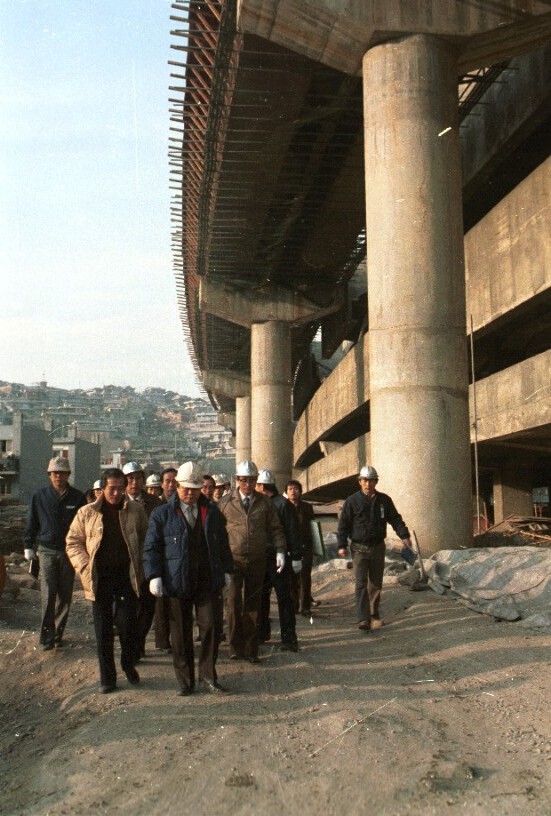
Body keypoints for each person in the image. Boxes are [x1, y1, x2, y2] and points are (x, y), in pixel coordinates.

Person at [143, 462, 233, 696]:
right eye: (186, 488)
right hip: (176, 581)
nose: (190, 493)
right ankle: (185, 681)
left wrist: (227, 570)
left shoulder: (211, 512)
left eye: (194, 488)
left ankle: (209, 676)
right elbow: (152, 548)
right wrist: (154, 575)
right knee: (180, 634)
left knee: (211, 627)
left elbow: (222, 545)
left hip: (206, 581)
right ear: (177, 487)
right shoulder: (162, 514)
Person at [65, 468, 148, 693]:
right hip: (99, 577)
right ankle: (107, 678)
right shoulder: (87, 513)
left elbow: (145, 540)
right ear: (102, 489)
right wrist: (84, 566)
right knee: (102, 631)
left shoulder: (136, 510)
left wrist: (142, 567)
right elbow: (73, 542)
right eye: (112, 488)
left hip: (126, 576)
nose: (117, 493)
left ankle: (128, 664)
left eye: (121, 488)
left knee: (127, 624)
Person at [218, 460, 285, 663]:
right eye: (244, 480)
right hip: (233, 561)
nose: (247, 484)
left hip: (257, 559)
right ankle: (234, 646)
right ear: (237, 480)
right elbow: (217, 533)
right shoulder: (226, 503)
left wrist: (281, 550)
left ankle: (251, 648)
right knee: (233, 604)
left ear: (256, 481)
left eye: (251, 480)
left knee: (253, 605)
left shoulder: (265, 503)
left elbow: (275, 529)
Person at [337, 465, 413, 631]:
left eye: (371, 480)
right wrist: (341, 545)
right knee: (360, 583)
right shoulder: (352, 501)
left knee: (376, 583)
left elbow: (395, 519)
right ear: (359, 482)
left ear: (376, 481)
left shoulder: (384, 500)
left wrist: (404, 536)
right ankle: (363, 618)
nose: (368, 484)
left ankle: (373, 614)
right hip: (359, 549)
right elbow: (343, 525)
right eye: (365, 480)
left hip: (378, 547)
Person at [23, 456, 86, 650]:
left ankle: (58, 634)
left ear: (68, 474)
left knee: (65, 595)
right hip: (47, 550)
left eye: (62, 473)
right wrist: (28, 546)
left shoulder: (77, 498)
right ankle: (46, 637)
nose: (58, 476)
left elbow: (84, 525)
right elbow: (32, 522)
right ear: (49, 475)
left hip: (69, 552)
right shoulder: (39, 496)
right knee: (48, 594)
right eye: (55, 473)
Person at [256, 469, 302, 652]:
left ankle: (286, 638)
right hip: (269, 557)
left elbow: (293, 532)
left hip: (278, 557)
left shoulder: (281, 505)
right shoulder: (273, 503)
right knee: (270, 598)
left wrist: (296, 556)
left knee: (281, 598)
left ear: (262, 486)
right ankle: (277, 636)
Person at [122, 461, 162, 660]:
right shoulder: (117, 502)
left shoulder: (155, 504)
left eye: (138, 478)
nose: (134, 483)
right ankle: (132, 644)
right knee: (128, 608)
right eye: (130, 479)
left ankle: (139, 642)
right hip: (125, 563)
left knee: (147, 607)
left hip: (148, 562)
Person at [285, 479, 319, 615]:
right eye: (290, 489)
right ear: (286, 492)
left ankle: (305, 607)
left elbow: (313, 527)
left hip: (305, 547)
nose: (293, 491)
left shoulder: (307, 507)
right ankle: (293, 605)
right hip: (289, 548)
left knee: (305, 577)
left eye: (296, 489)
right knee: (291, 578)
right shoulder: (283, 506)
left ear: (300, 491)